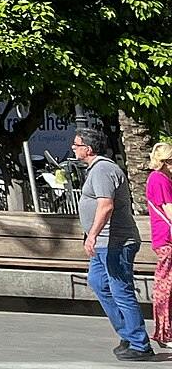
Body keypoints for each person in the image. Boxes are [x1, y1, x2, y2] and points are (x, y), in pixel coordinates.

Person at [75, 127, 151, 360]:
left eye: (76, 145)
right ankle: (128, 333)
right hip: (103, 244)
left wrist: (93, 234)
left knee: (121, 290)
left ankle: (140, 343)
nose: (73, 148)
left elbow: (106, 205)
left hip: (115, 241)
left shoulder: (103, 169)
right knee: (99, 283)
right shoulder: (96, 170)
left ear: (88, 148)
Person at [146, 140, 172, 349]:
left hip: (163, 238)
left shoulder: (159, 178)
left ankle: (165, 331)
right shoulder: (160, 180)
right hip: (167, 239)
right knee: (166, 286)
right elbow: (170, 211)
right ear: (163, 162)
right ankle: (165, 332)